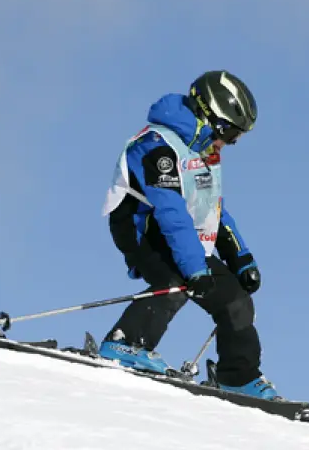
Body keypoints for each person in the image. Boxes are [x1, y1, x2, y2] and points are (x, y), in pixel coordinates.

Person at [100, 70, 279, 400]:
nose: (231, 141)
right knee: (177, 281)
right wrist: (196, 269)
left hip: (186, 238)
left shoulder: (204, 151)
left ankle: (237, 375)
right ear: (207, 114)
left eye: (237, 135)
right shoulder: (157, 147)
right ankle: (125, 342)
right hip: (142, 227)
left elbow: (211, 209)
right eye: (230, 132)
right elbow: (171, 212)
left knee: (236, 300)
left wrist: (240, 259)